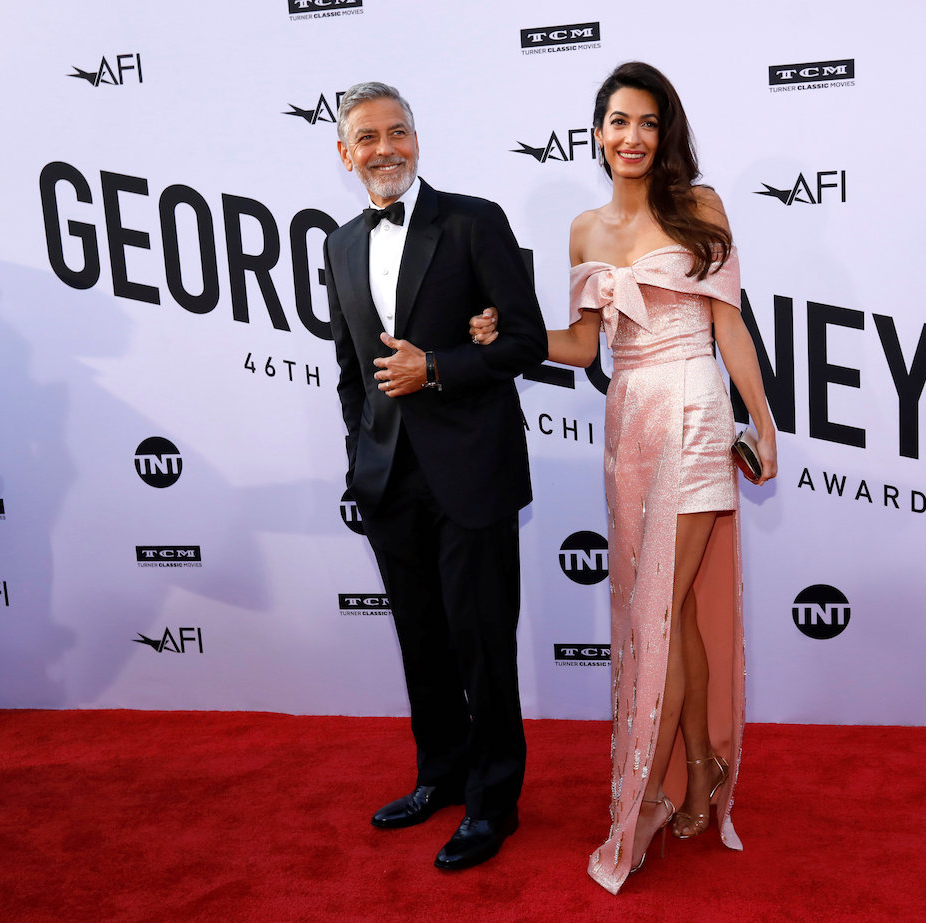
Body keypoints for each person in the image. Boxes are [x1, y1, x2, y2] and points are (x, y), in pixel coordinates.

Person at [472, 61, 777, 894]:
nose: (631, 136)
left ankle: (644, 802)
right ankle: (704, 767)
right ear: (597, 133)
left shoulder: (700, 208)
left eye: (647, 122)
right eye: (617, 121)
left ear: (663, 131)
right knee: (667, 610)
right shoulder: (582, 229)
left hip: (694, 408)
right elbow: (579, 349)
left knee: (656, 611)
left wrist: (762, 417)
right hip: (628, 421)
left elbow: (731, 329)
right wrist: (511, 333)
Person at [324, 81, 548, 872]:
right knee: (422, 642)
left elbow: (523, 341)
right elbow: (351, 367)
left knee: (481, 642)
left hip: (473, 470)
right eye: (368, 137)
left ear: (417, 139)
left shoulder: (473, 221)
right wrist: (361, 459)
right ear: (344, 153)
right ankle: (441, 775)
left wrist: (439, 369)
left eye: (399, 132)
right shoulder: (340, 246)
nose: (386, 148)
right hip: (389, 482)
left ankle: (494, 802)